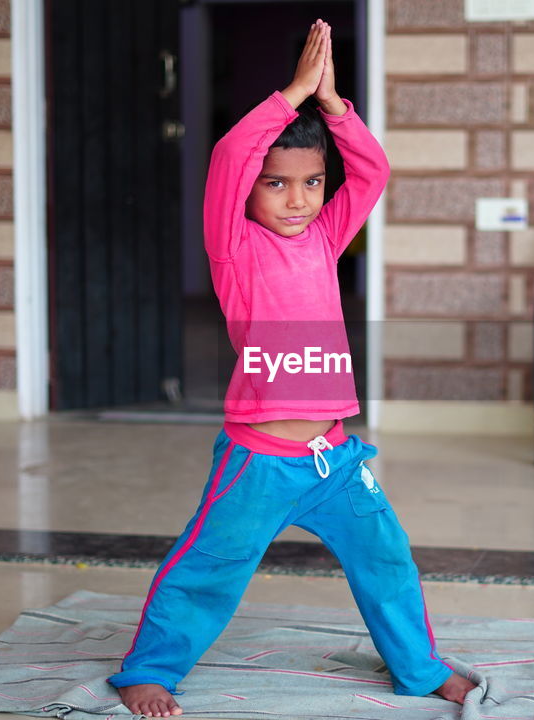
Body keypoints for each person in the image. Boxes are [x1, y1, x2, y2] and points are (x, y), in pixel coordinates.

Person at [108, 19, 478, 718]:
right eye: (276, 184)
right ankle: (148, 672)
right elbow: (227, 158)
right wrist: (291, 95)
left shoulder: (326, 236)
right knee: (208, 570)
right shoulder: (234, 249)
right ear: (250, 191)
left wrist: (333, 106)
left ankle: (419, 668)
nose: (299, 198)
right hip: (259, 460)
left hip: (336, 457)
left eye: (310, 183)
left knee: (388, 560)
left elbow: (372, 172)